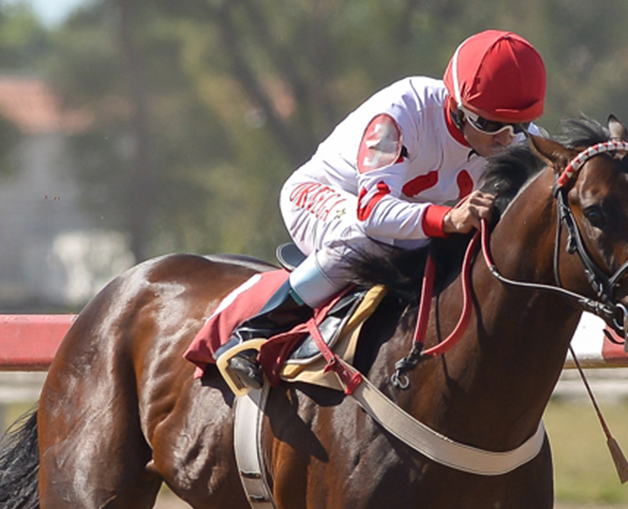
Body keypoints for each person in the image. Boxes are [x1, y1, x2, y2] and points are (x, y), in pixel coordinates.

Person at [218, 29, 548, 391]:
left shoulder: (520, 137)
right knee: (364, 241)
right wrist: (448, 218)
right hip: (324, 196)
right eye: (488, 124)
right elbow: (372, 213)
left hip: (405, 218)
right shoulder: (400, 114)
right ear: (455, 106)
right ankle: (255, 330)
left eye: (517, 126)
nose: (505, 139)